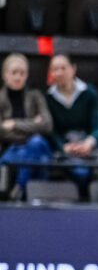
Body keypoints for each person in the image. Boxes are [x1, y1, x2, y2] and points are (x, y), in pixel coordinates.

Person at [45, 54, 98, 201]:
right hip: (63, 149)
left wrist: (89, 142)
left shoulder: (90, 93)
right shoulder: (47, 98)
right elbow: (51, 130)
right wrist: (63, 146)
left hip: (88, 146)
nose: (59, 73)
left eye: (63, 68)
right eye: (54, 69)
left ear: (73, 69)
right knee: (75, 169)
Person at [0, 53, 53, 199]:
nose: (18, 77)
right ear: (5, 75)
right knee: (41, 159)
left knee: (36, 142)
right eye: (14, 72)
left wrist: (14, 124)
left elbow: (47, 125)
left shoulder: (36, 96)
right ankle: (38, 199)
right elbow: (1, 131)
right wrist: (32, 125)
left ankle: (19, 187)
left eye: (22, 73)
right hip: (12, 148)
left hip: (36, 144)